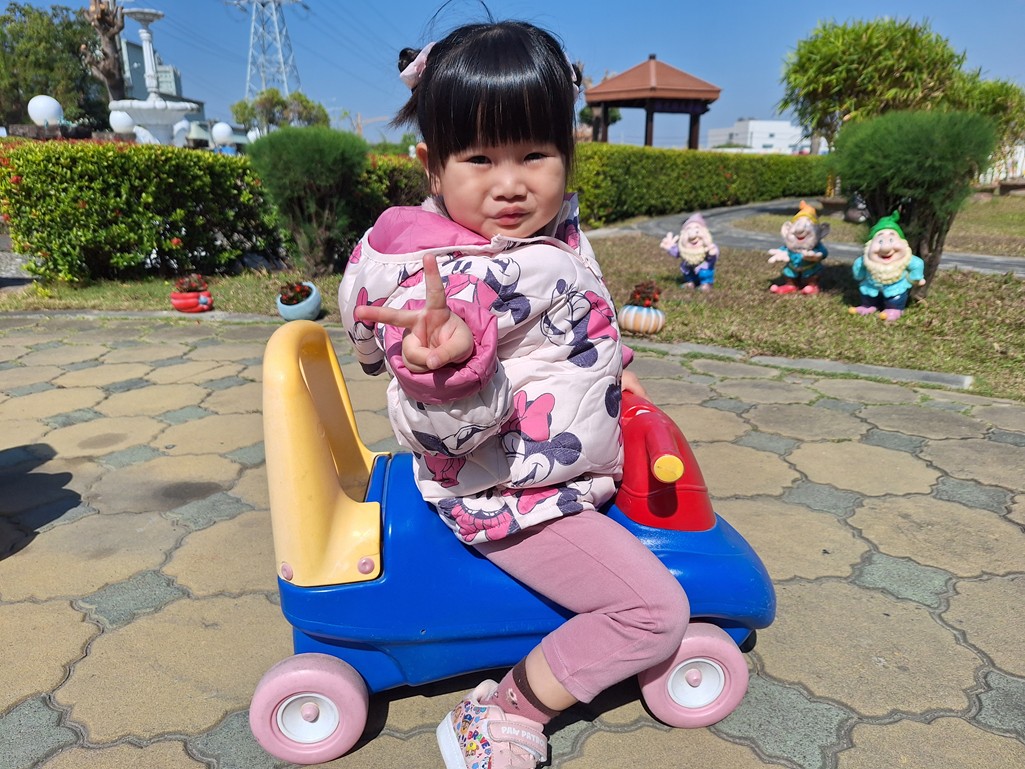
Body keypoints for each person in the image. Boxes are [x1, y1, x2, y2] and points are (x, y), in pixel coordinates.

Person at [338, 19, 688, 769]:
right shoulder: (440, 282)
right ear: (432, 167)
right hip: (508, 495)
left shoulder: (546, 236)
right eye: (479, 158)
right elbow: (439, 422)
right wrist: (441, 372)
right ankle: (503, 709)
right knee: (654, 610)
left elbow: (573, 323)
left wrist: (618, 372)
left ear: (568, 153)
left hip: (551, 466)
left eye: (534, 154)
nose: (510, 182)